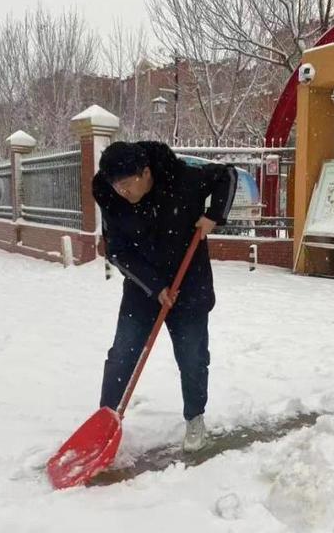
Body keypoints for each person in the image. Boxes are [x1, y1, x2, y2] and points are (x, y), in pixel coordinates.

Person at [92, 141, 237, 452]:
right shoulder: (112, 198)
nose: (122, 193)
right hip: (142, 290)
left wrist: (214, 215)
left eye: (127, 184)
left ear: (146, 173)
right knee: (122, 354)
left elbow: (227, 175)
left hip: (190, 285)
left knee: (193, 358)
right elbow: (116, 249)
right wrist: (154, 286)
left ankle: (195, 418)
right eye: (116, 186)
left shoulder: (184, 177)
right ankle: (104, 422)